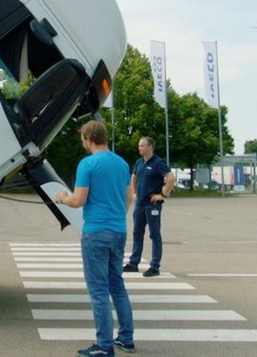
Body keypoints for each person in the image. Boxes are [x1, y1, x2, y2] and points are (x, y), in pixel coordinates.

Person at [55, 120, 135, 356]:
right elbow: (128, 197)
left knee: (98, 289)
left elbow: (78, 200)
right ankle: (126, 338)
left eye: (83, 140)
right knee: (117, 284)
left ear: (88, 139)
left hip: (96, 233)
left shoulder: (87, 164)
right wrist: (117, 217)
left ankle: (103, 345)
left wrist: (61, 197)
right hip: (118, 230)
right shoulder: (121, 163)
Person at [123, 136, 175, 277]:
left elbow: (171, 178)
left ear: (150, 147)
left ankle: (154, 266)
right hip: (140, 204)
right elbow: (133, 177)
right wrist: (134, 193)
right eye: (139, 146)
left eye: (142, 146)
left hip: (152, 205)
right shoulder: (139, 162)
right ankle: (134, 263)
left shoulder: (158, 163)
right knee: (137, 233)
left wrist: (162, 195)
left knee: (154, 234)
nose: (139, 148)